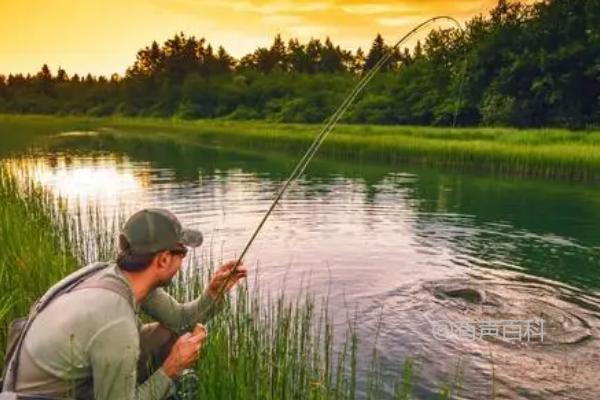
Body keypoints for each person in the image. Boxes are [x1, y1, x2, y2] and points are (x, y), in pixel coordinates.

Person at [5, 208, 246, 399]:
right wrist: (171, 368)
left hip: (53, 382)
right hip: (41, 396)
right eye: (181, 253)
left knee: (169, 334)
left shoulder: (117, 276)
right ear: (163, 259)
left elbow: (181, 320)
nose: (183, 261)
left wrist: (214, 292)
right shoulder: (116, 321)